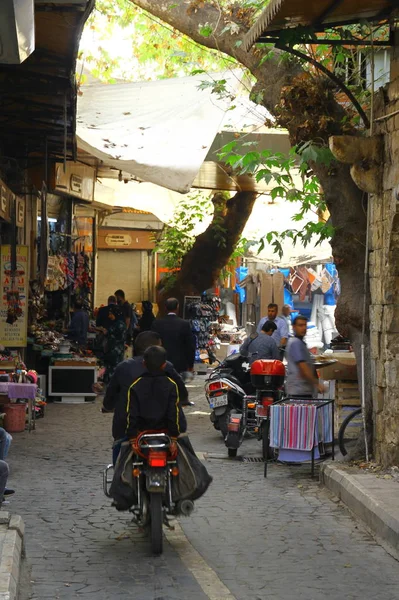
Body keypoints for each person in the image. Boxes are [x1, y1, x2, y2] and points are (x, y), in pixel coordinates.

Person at [102, 331, 189, 464]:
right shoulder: (168, 368)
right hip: (166, 426)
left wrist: (107, 406)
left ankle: (118, 474)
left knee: (120, 449)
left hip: (129, 427)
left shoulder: (123, 368)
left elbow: (111, 395)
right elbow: (182, 393)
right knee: (185, 454)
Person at [126, 346, 183, 440]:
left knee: (123, 452)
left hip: (141, 434)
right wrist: (174, 435)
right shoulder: (171, 384)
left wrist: (132, 435)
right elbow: (173, 413)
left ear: (144, 363)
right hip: (165, 433)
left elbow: (132, 413)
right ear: (164, 365)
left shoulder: (135, 385)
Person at [151, 298, 195, 375]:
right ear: (178, 307)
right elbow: (190, 346)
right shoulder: (184, 324)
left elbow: (152, 343)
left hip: (161, 362)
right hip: (179, 363)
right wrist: (190, 364)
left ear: (165, 307)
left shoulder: (157, 323)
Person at [285, 315, 324, 397]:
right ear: (294, 327)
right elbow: (303, 367)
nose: (303, 328)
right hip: (298, 391)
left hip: (303, 389)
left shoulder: (300, 343)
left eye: (305, 325)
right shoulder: (295, 343)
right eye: (300, 325)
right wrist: (317, 384)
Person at [102, 304, 127, 383]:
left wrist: (103, 330)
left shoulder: (118, 324)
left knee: (113, 371)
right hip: (117, 351)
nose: (109, 316)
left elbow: (108, 333)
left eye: (111, 314)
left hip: (115, 352)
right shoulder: (120, 323)